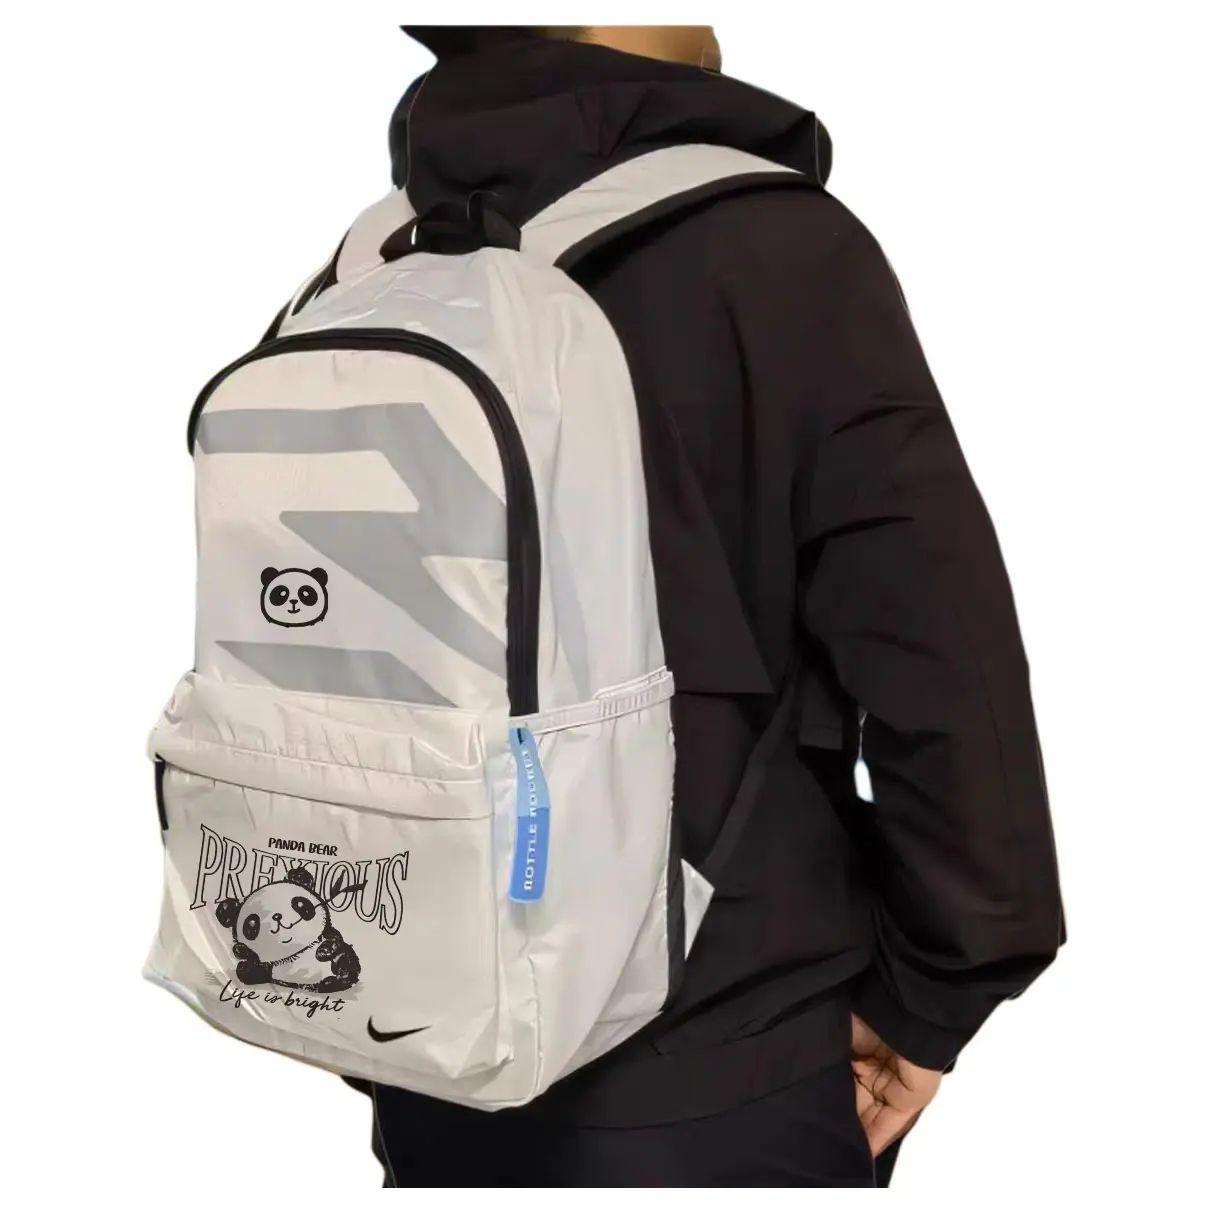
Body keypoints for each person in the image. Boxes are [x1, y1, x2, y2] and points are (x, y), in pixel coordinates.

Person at [351, 24, 1065, 1187]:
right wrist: (933, 996)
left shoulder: (365, 271)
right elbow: (947, 669)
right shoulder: (775, 250)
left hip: (425, 1046)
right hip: (727, 1058)